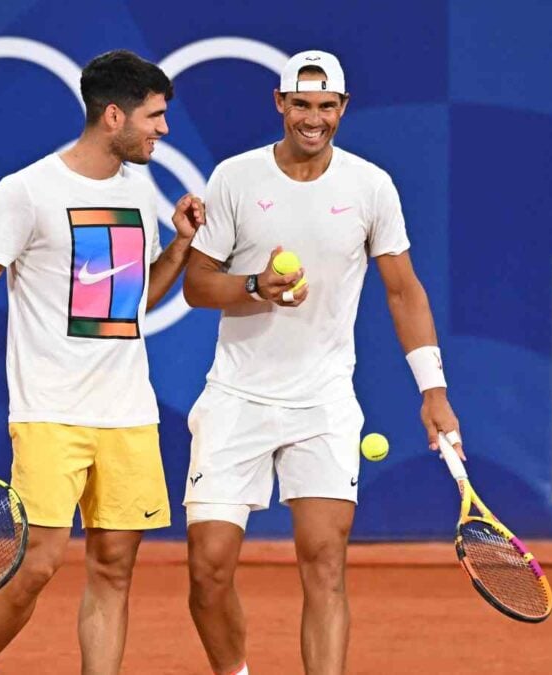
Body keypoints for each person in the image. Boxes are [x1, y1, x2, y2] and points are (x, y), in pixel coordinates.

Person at [181, 50, 463, 674]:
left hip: (324, 402)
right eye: (301, 105)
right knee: (207, 566)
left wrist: (432, 390)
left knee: (324, 560)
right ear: (280, 103)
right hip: (236, 396)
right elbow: (198, 285)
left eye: (326, 107)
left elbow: (403, 290)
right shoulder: (235, 178)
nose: (314, 119)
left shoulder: (370, 186)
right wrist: (255, 288)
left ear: (343, 109)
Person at [0, 49, 204, 675]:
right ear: (113, 116)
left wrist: (182, 245)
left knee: (114, 570)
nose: (163, 129)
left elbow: (132, 301)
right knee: (39, 565)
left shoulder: (139, 189)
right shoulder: (26, 191)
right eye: (154, 117)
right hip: (50, 412)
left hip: (129, 413)